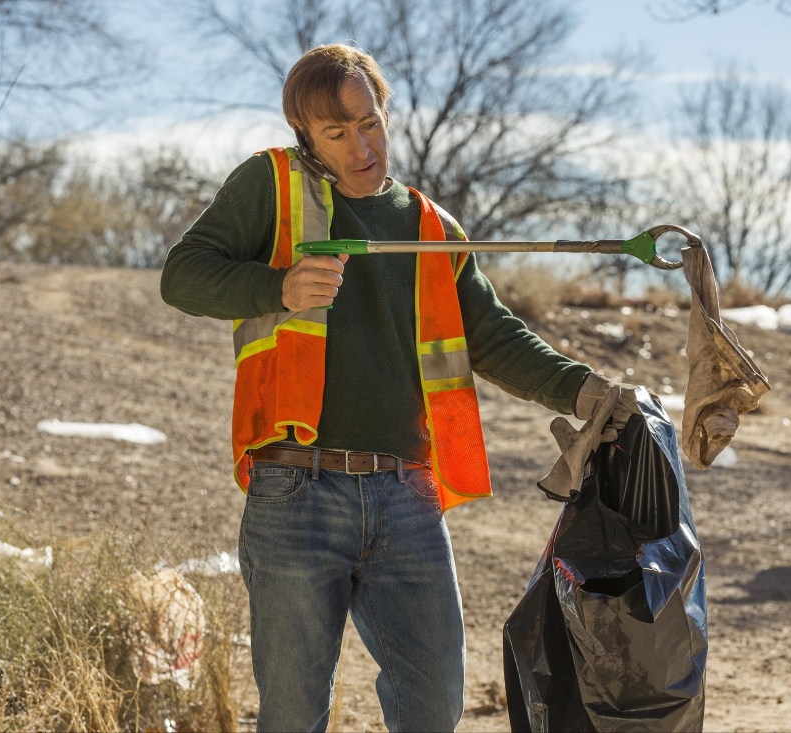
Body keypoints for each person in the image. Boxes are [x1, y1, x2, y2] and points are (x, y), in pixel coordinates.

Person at [160, 44, 638, 733]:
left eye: (370, 122)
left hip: (407, 495)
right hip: (296, 490)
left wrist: (586, 391)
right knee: (294, 714)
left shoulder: (430, 227)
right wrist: (278, 285)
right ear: (306, 135)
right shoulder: (270, 185)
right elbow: (182, 274)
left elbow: (493, 337)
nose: (361, 145)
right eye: (338, 132)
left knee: (434, 702)